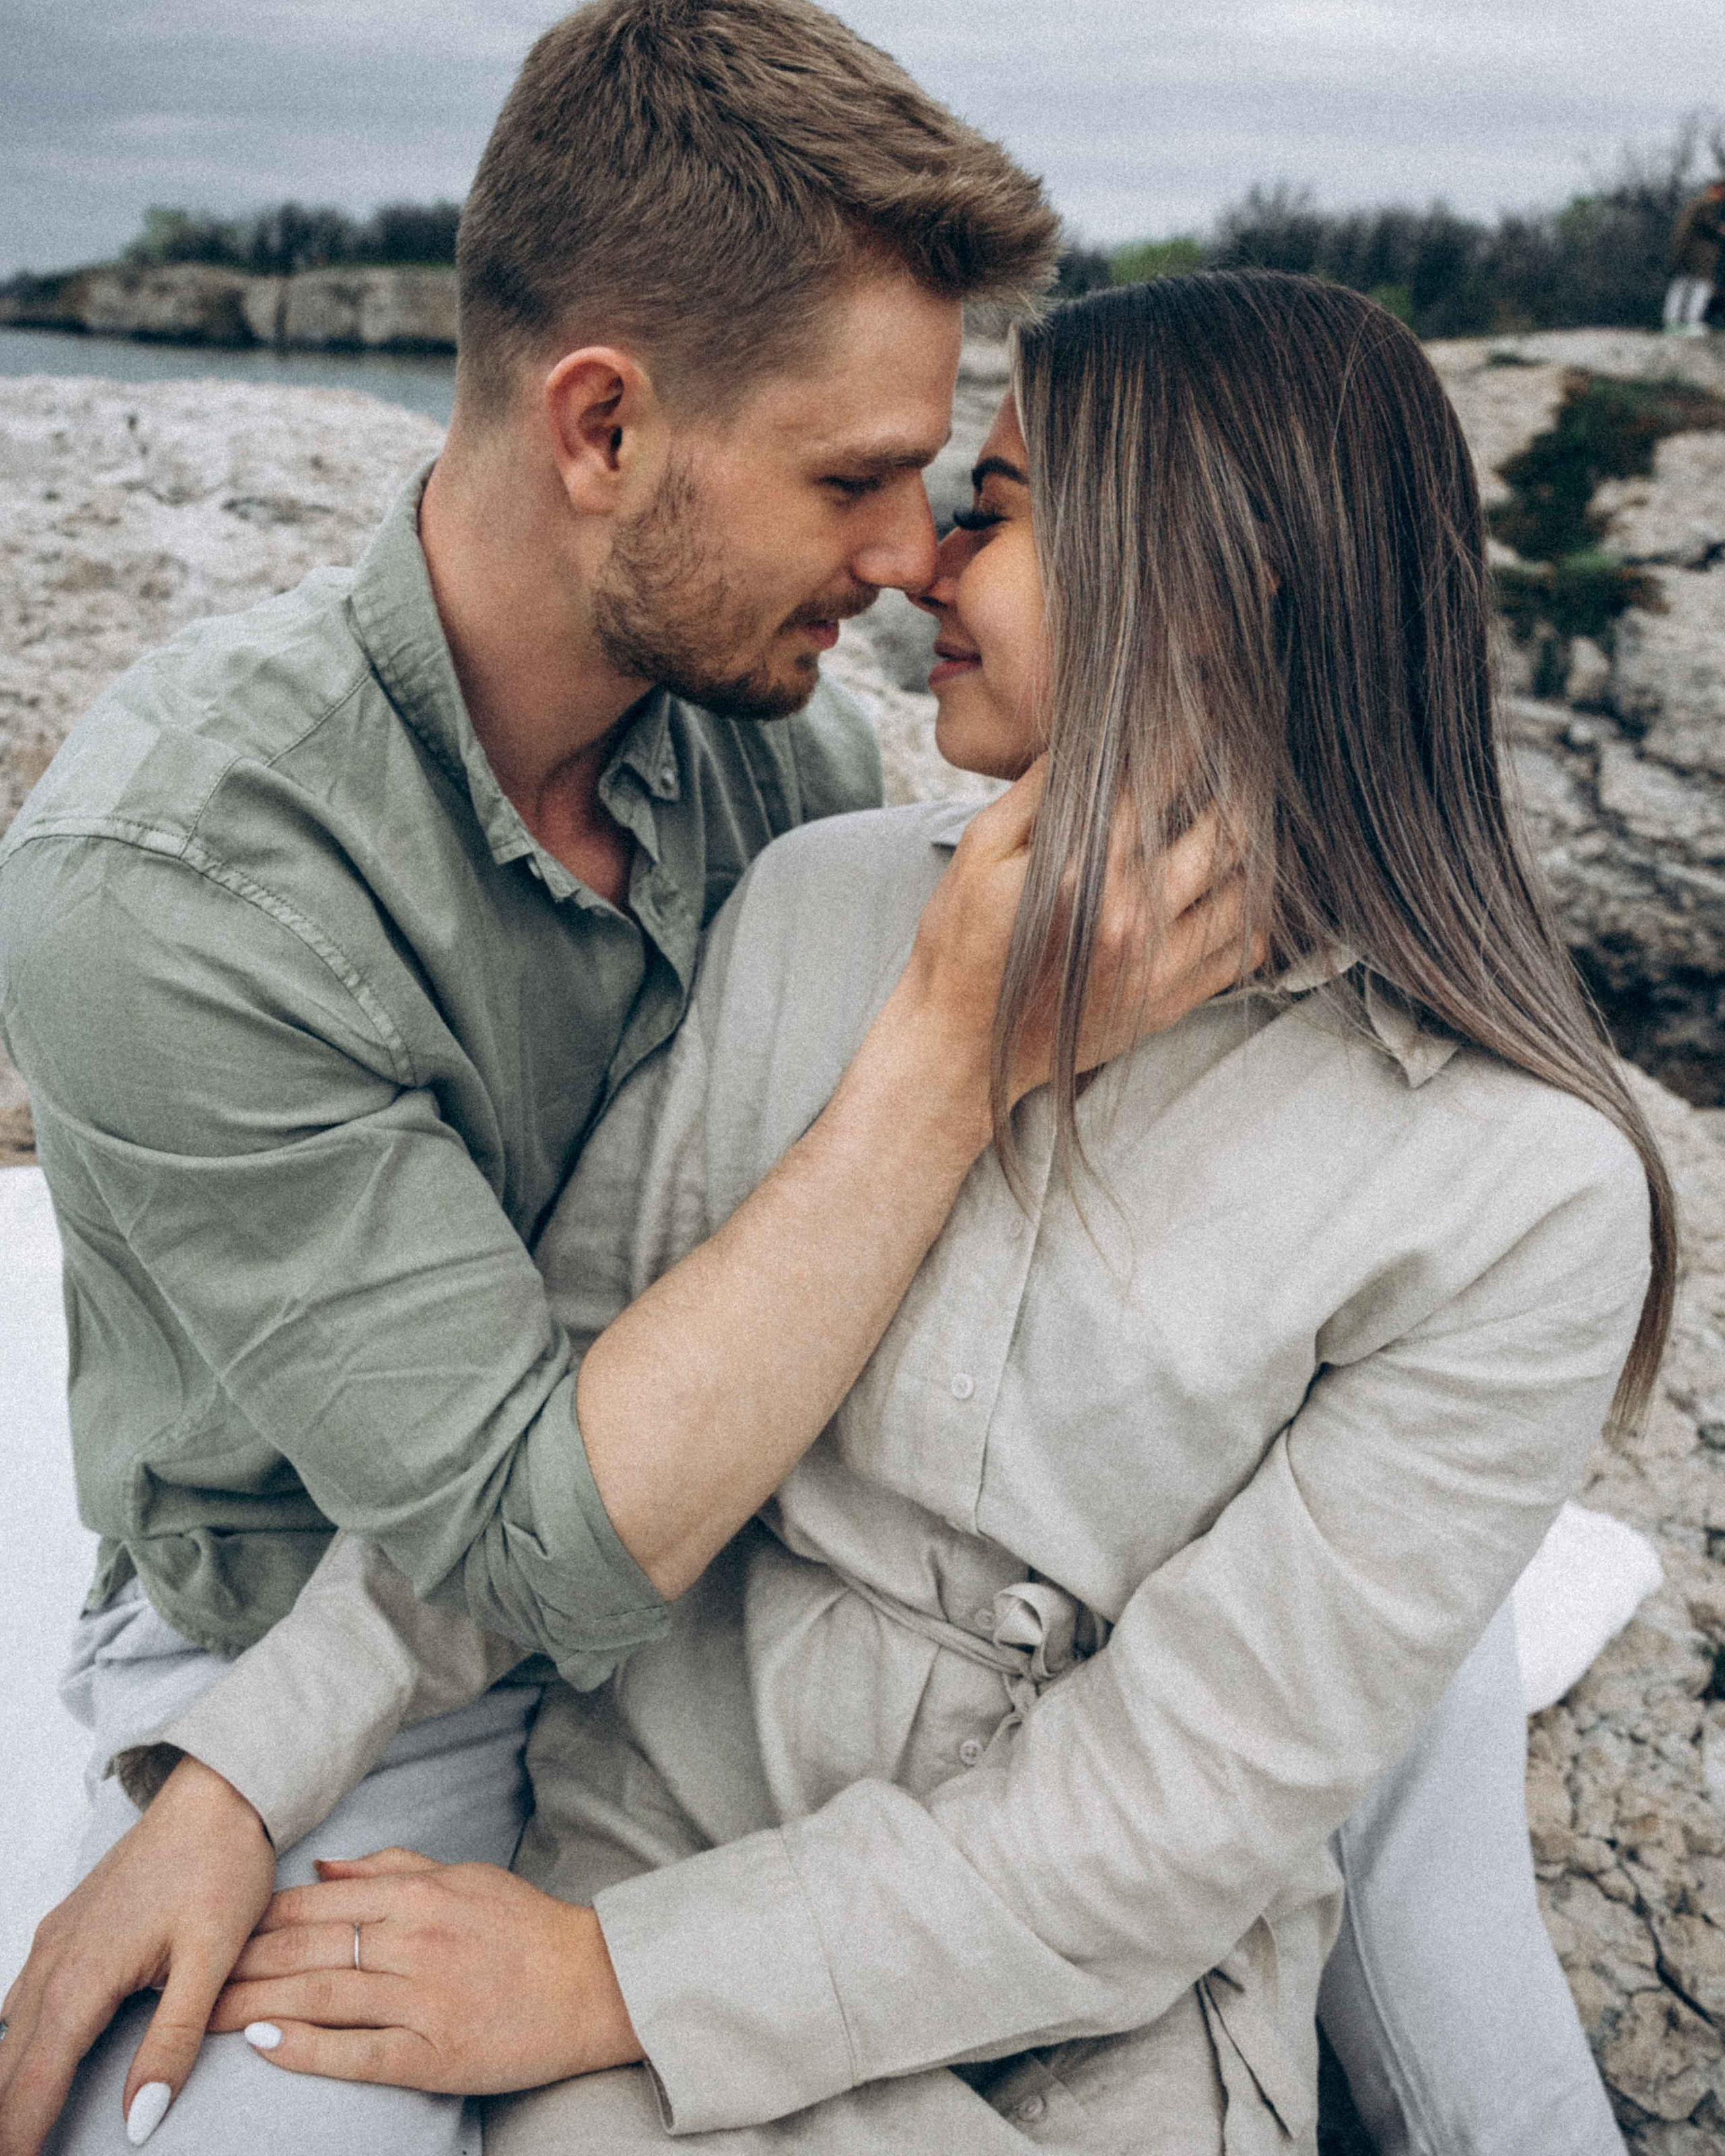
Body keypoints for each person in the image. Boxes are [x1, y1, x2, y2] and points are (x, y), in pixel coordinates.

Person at [98, 274, 1673, 2154]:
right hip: (644, 1884)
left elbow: (1167, 1818)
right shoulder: (825, 903)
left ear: (1217, 576)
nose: (923, 562)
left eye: (993, 510)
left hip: (1085, 2032)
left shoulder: (1519, 1195)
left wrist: (605, 1982)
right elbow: (565, 1447)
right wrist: (236, 1781)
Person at [1, 5, 1250, 2152]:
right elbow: (516, 1537)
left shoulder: (781, 751)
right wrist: (224, 1780)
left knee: (1343, 1659)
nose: (901, 561)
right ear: (601, 427)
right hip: (343, 1636)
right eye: (851, 478)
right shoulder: (175, 882)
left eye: (934, 484)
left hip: (774, 1574)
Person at [1664, 177, 1725, 336]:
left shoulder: (1694, 204)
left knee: (1682, 285)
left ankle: (1672, 322)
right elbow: (1711, 226)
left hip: (1686, 253)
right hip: (1700, 255)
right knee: (1700, 288)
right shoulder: (1707, 205)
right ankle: (1690, 322)